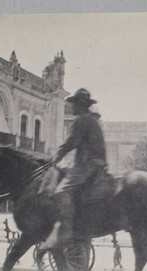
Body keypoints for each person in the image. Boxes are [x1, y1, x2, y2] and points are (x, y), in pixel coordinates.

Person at [40, 88, 107, 253]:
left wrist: (56, 157)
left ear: (80, 105)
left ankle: (67, 230)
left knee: (61, 191)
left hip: (87, 164)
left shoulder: (82, 120)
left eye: (74, 104)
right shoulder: (93, 120)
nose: (72, 107)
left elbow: (71, 142)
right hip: (97, 164)